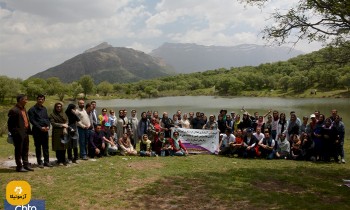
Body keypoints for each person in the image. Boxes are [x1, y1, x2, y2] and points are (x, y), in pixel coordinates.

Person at [7, 94, 34, 172]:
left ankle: (26, 165)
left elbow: (26, 120)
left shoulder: (24, 109)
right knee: (18, 150)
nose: (27, 101)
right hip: (18, 133)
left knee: (25, 149)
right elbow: (10, 124)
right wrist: (14, 133)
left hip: (25, 132)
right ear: (20, 100)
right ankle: (19, 166)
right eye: (25, 99)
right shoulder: (14, 110)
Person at [28, 94, 53, 168]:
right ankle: (40, 162)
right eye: (39, 99)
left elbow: (47, 118)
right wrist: (40, 127)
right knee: (38, 147)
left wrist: (48, 125)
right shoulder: (32, 109)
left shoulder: (44, 109)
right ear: (37, 100)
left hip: (45, 130)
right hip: (37, 131)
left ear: (44, 100)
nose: (41, 100)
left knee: (46, 147)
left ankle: (46, 161)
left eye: (42, 99)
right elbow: (32, 121)